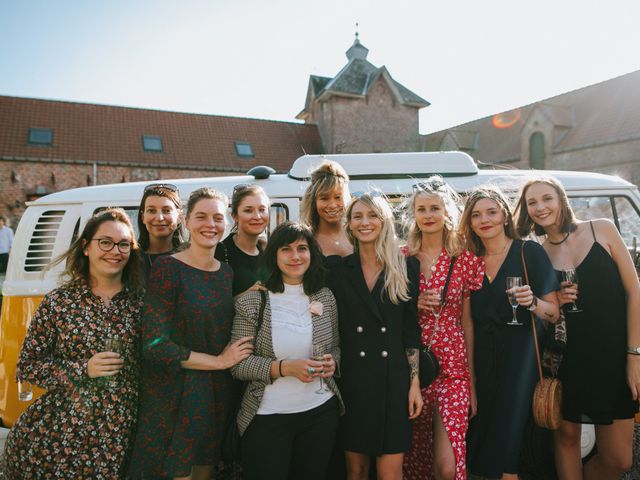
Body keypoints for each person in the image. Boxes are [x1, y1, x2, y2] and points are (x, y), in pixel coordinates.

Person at [1, 208, 144, 478]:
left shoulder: (141, 303)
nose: (115, 250)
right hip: (61, 434)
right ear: (86, 247)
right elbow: (28, 366)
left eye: (124, 244)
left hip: (122, 431)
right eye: (105, 242)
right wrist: (83, 369)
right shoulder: (59, 302)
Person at [515, 177, 640, 480]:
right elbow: (546, 312)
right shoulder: (537, 253)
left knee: (619, 460)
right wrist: (554, 299)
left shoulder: (602, 229)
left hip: (613, 356)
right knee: (567, 438)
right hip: (565, 358)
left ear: (561, 199)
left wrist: (634, 355)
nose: (541, 207)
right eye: (532, 202)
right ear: (526, 210)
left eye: (547, 198)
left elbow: (635, 291)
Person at [128, 187, 254, 480]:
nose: (210, 224)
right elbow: (155, 346)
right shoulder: (166, 269)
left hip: (216, 393)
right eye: (201, 216)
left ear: (226, 224)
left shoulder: (226, 273)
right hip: (174, 392)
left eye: (217, 218)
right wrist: (220, 361)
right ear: (186, 221)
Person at [230, 221, 343, 480]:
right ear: (274, 255)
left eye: (302, 248)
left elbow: (336, 347)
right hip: (267, 418)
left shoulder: (325, 296)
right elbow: (238, 365)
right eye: (286, 249)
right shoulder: (253, 300)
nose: (295, 256)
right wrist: (283, 368)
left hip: (320, 414)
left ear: (312, 254)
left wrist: (332, 363)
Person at [460, 186, 560, 480]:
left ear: (505, 215)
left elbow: (554, 312)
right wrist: (471, 381)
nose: (484, 220)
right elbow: (467, 325)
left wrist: (533, 303)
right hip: (483, 369)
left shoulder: (529, 252)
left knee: (510, 461)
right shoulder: (469, 261)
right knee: (481, 461)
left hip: (520, 370)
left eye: (491, 212)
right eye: (476, 215)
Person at [327, 191, 423, 480]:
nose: (364, 222)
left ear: (384, 221)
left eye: (371, 215)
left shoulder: (406, 267)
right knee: (356, 471)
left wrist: (414, 382)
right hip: (353, 380)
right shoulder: (337, 269)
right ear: (350, 224)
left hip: (393, 381)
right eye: (357, 216)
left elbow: (410, 329)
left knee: (390, 472)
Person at [401, 177, 484, 480]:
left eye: (434, 208)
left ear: (447, 212)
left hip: (454, 369)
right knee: (416, 461)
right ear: (414, 214)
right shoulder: (401, 258)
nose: (428, 215)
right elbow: (391, 313)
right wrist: (413, 303)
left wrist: (472, 383)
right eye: (421, 209)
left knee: (446, 466)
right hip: (413, 367)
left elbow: (468, 322)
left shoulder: (464, 259)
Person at [215, 183, 270, 296]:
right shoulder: (220, 252)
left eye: (262, 209)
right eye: (248, 210)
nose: (257, 216)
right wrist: (246, 296)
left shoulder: (269, 250)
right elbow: (213, 304)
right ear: (234, 216)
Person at [300, 159, 353, 257]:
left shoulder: (357, 235)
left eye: (338, 197)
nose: (332, 205)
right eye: (324, 198)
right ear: (313, 202)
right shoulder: (305, 240)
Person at [137, 182, 184, 279]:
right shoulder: (130, 259)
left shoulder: (191, 258)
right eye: (151, 211)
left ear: (179, 216)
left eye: (167, 210)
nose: (159, 218)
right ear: (143, 217)